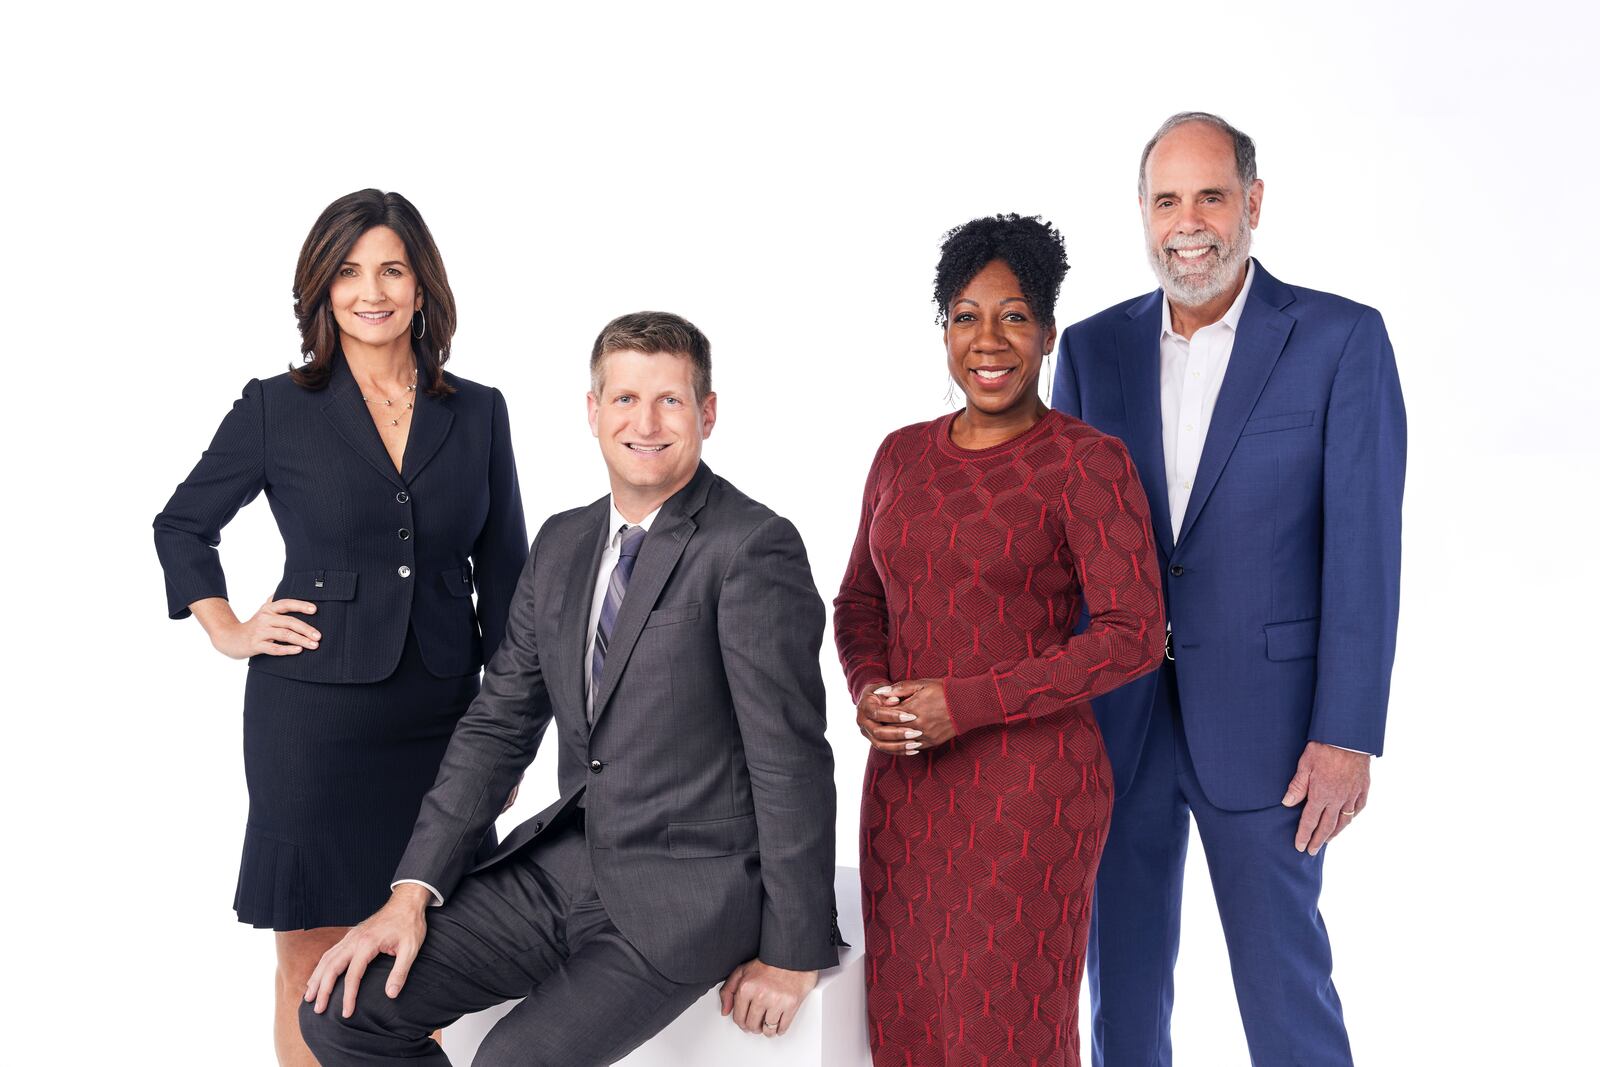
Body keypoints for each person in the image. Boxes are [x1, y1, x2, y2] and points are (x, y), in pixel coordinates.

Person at [299, 311, 841, 1066]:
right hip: (559, 869)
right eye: (623, 399)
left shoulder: (752, 546)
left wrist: (793, 950)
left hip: (686, 897)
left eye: (670, 401)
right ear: (593, 412)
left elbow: (791, 759)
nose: (644, 422)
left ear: (707, 413)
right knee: (340, 1010)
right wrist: (410, 892)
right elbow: (498, 726)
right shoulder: (561, 543)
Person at [1052, 112, 1406, 1066]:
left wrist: (1347, 733)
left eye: (1211, 195)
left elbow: (1366, 553)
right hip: (1118, 727)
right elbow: (1066, 553)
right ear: (1141, 214)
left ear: (1253, 202)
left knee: (1285, 995)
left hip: (1275, 731)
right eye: (1167, 200)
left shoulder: (1339, 340)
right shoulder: (1091, 350)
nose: (1189, 222)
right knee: (1120, 1001)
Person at [153, 189, 527, 1065]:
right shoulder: (278, 407)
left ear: (422, 285)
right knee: (312, 955)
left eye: (392, 269)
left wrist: (503, 741)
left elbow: (508, 580)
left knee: (424, 958)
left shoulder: (478, 411)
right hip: (312, 721)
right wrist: (228, 626)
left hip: (443, 723)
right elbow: (182, 524)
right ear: (322, 290)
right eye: (350, 271)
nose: (372, 290)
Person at [835, 215, 1166, 1067]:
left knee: (1003, 1037)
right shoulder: (900, 456)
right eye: (965, 316)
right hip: (905, 793)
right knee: (907, 1033)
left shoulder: (1087, 462)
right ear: (942, 328)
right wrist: (872, 687)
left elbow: (1134, 634)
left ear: (1049, 332)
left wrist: (966, 702)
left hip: (1030, 794)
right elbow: (858, 599)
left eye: (1014, 316)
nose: (988, 340)